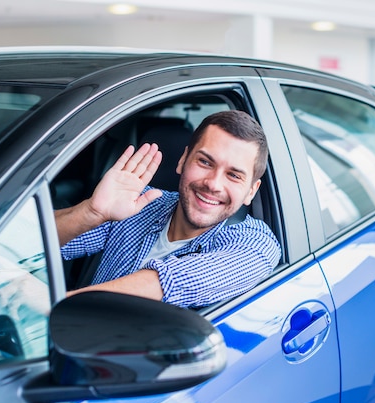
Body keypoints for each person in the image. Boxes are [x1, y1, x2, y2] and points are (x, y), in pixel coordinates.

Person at [56, 110, 281, 308]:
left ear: (251, 191)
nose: (213, 184)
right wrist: (91, 213)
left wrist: (59, 306)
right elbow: (38, 243)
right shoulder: (141, 202)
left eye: (233, 175)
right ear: (183, 160)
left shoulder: (256, 244)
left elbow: (173, 280)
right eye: (205, 162)